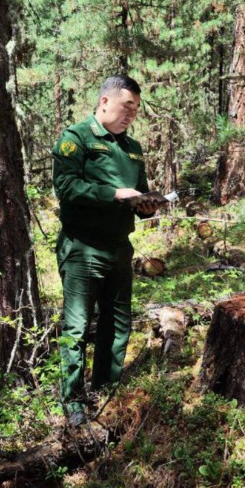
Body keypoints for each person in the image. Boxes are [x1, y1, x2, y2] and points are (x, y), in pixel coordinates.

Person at [52, 75, 163, 427]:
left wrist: (147, 206)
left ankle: (106, 391)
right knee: (77, 327)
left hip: (119, 247)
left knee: (116, 325)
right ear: (104, 101)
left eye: (136, 109)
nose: (131, 114)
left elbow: (139, 192)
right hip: (83, 247)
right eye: (126, 105)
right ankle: (72, 401)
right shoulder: (76, 138)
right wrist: (115, 194)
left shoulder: (132, 148)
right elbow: (66, 186)